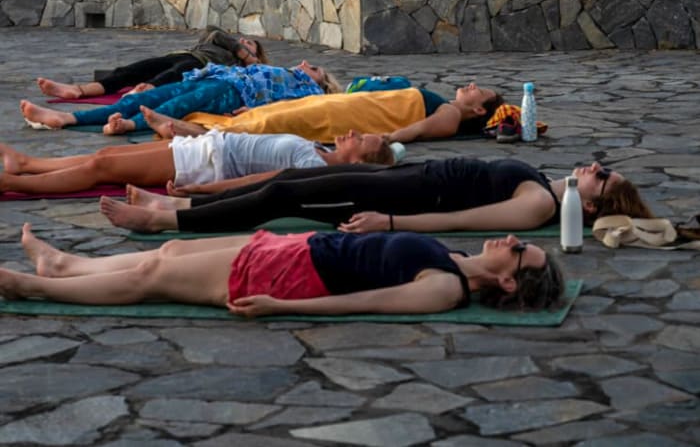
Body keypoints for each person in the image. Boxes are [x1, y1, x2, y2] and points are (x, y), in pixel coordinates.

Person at [0, 224, 564, 316]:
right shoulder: (454, 259)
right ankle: (68, 264)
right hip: (297, 248)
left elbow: (363, 304)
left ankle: (35, 287)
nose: (513, 242)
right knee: (168, 252)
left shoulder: (446, 289)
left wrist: (281, 307)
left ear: (508, 280)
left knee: (152, 280)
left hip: (292, 277)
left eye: (520, 252)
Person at [99, 158, 653, 236]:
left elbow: (464, 221)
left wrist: (389, 222)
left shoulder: (539, 204)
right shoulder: (547, 183)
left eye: (601, 176)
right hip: (405, 176)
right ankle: (177, 206)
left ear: (594, 205)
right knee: (290, 178)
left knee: (285, 197)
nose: (594, 167)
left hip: (407, 197)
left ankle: (165, 223)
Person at [0, 130, 397, 196]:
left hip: (207, 162)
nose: (353, 133)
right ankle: (28, 164)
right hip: (207, 144)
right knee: (106, 156)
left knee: (100, 170)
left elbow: (264, 181)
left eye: (361, 139)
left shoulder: (312, 166)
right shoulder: (316, 147)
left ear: (359, 158)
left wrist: (204, 191)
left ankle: (16, 183)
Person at [20, 61, 341, 135]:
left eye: (314, 68)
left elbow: (290, 109)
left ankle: (129, 126)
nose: (305, 64)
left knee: (173, 108)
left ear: (322, 82)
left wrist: (256, 109)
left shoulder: (310, 91)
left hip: (232, 93)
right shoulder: (288, 72)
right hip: (217, 79)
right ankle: (66, 117)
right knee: (142, 98)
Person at [139, 82, 504, 144]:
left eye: (480, 91)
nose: (472, 85)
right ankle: (194, 128)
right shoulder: (444, 103)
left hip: (354, 118)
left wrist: (386, 139)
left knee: (281, 123)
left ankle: (197, 134)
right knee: (281, 111)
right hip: (349, 106)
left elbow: (421, 130)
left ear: (476, 109)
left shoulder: (450, 114)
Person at [36, 28, 269, 99]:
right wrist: (243, 50)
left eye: (249, 43)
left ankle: (144, 91)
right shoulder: (221, 43)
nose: (242, 41)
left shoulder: (239, 67)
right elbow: (214, 32)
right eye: (241, 39)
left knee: (176, 72)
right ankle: (79, 90)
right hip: (183, 54)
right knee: (131, 70)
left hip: (200, 66)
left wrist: (249, 60)